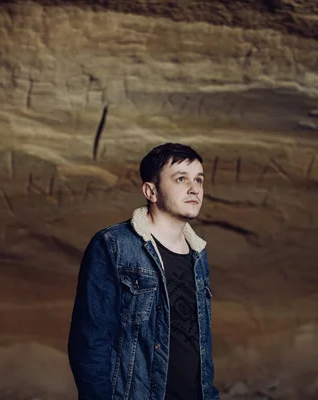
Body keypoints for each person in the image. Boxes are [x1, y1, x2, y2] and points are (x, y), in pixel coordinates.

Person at [68, 142, 219, 400]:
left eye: (199, 180)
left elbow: (198, 345)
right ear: (151, 191)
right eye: (181, 179)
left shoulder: (198, 254)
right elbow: (90, 343)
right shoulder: (114, 245)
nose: (195, 189)